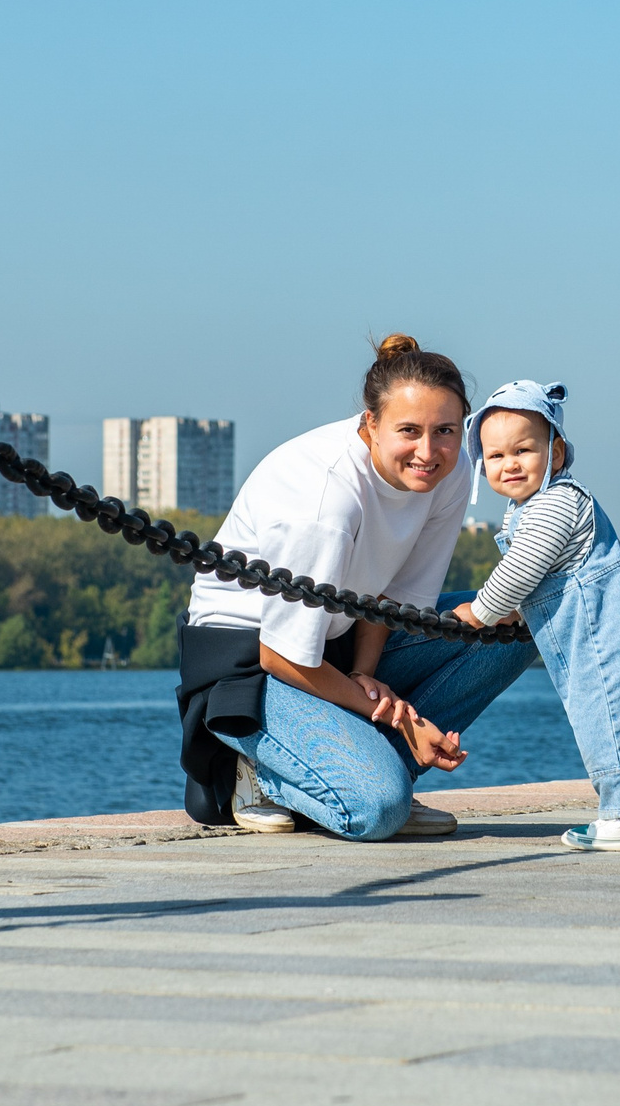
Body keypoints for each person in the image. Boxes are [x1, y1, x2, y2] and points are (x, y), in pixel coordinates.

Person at [177, 334, 538, 840]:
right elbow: (282, 654)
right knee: (378, 811)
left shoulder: (444, 474)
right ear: (370, 424)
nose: (428, 451)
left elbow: (396, 604)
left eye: (446, 431)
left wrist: (367, 674)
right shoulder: (326, 500)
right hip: (252, 667)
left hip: (337, 640)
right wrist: (388, 714)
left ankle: (366, 766)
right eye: (408, 430)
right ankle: (260, 767)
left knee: (519, 625)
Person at [449, 381, 620, 852]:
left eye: (523, 450)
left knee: (607, 717)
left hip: (600, 634)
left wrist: (484, 610)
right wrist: (515, 609)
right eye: (495, 456)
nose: (509, 464)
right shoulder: (538, 505)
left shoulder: (555, 502)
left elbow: (521, 568)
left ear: (555, 454)